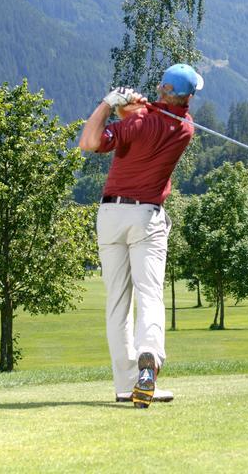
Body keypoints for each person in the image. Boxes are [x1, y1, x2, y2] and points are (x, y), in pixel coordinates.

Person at [78, 63, 204, 408]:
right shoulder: (185, 128)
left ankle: (126, 383)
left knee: (117, 301)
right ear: (187, 97)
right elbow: (148, 116)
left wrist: (109, 103)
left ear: (162, 87)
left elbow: (89, 141)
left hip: (110, 215)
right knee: (149, 293)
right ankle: (149, 359)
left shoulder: (136, 122)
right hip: (146, 217)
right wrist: (131, 105)